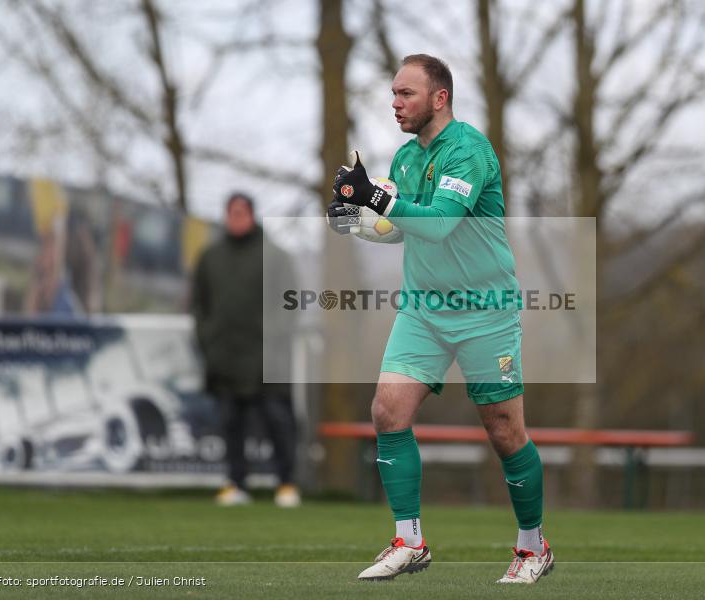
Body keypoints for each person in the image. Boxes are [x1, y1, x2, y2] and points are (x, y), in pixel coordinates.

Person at [327, 54, 553, 584]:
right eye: (394, 93)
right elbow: (406, 227)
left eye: (406, 93)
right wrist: (357, 222)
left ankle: (531, 548)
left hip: (484, 311)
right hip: (424, 311)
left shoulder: (468, 150)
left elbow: (442, 224)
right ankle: (410, 541)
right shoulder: (406, 159)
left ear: (440, 97)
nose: (395, 103)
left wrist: (377, 197)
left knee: (504, 431)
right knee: (387, 412)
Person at [191, 192, 300, 508]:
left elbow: (289, 304)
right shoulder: (210, 257)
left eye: (242, 212)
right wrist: (208, 340)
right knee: (230, 424)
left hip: (268, 359)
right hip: (225, 357)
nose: (236, 218)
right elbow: (199, 305)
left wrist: (272, 340)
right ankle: (235, 483)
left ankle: (286, 484)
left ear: (252, 215)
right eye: (231, 213)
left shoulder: (276, 256)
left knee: (278, 421)